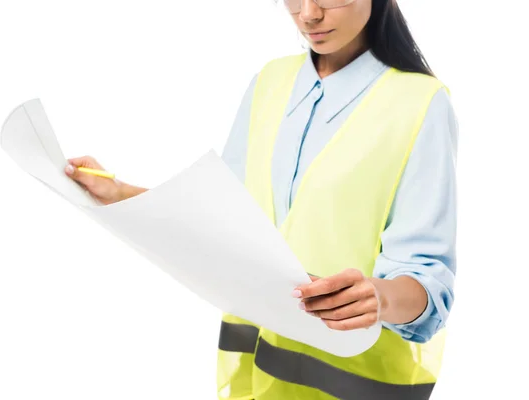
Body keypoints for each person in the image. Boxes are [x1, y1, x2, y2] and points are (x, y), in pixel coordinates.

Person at [64, 0, 457, 398]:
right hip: (252, 384)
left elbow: (429, 282)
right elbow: (225, 219)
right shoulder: (271, 81)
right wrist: (121, 193)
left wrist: (380, 297)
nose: (308, 14)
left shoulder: (421, 103)